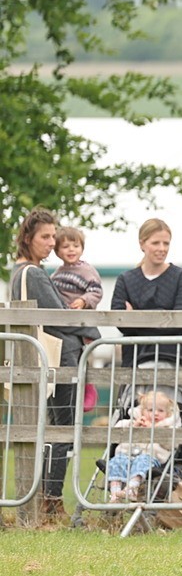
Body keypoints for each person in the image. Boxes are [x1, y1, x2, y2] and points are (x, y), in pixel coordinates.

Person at [9, 207, 101, 522]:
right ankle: (52, 501)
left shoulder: (18, 271)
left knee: (50, 427)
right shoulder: (33, 273)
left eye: (53, 236)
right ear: (28, 238)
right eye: (45, 237)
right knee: (61, 427)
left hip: (42, 358)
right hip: (60, 356)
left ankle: (44, 499)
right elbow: (59, 316)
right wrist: (94, 334)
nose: (52, 243)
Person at [110, 219, 182, 367]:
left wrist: (135, 318)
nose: (162, 248)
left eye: (166, 243)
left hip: (175, 359)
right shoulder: (125, 279)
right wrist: (163, 316)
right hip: (135, 360)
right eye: (155, 243)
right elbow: (120, 322)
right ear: (142, 244)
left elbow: (181, 320)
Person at [106, 390, 180, 502]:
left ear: (168, 413)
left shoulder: (166, 428)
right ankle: (115, 494)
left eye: (161, 410)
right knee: (116, 461)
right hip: (127, 456)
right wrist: (133, 426)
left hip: (150, 459)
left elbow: (171, 444)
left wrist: (154, 431)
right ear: (142, 411)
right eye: (151, 410)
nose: (155, 413)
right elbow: (116, 432)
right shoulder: (133, 421)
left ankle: (132, 489)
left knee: (142, 461)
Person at [49, 226, 104, 310]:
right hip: (62, 317)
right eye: (65, 247)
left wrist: (83, 301)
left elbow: (96, 291)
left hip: (82, 318)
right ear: (57, 252)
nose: (71, 249)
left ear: (82, 249)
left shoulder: (87, 271)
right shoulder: (56, 274)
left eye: (76, 246)